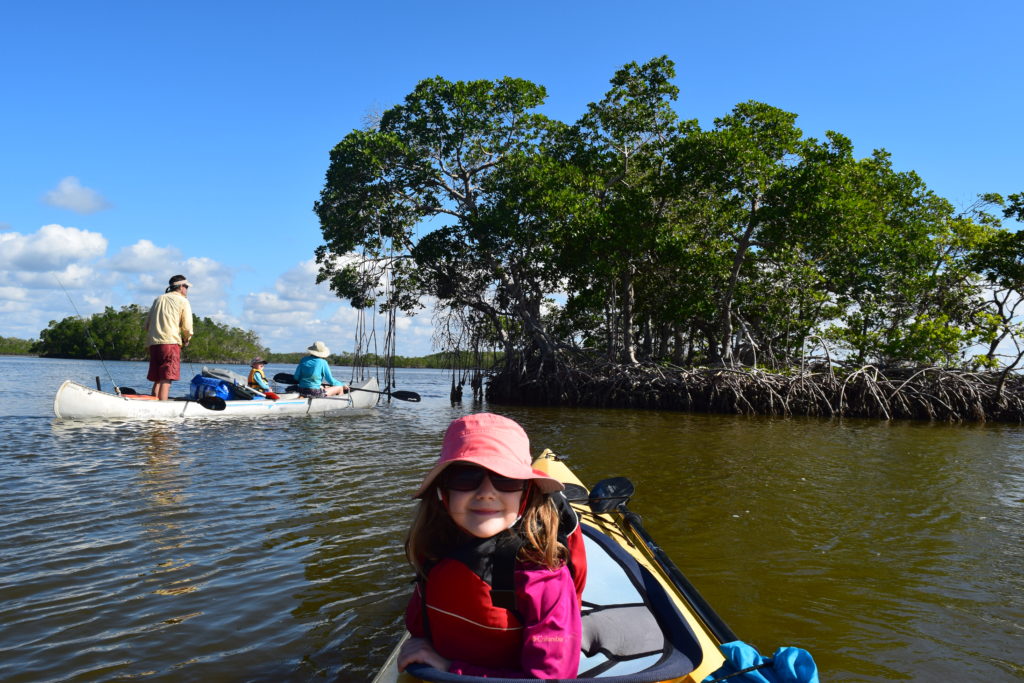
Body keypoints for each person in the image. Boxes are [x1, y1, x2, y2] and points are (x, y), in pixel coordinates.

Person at [397, 413, 583, 678]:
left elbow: (551, 677)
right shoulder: (435, 551)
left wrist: (452, 670)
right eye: (466, 476)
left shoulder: (543, 576)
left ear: (525, 493)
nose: (486, 492)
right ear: (443, 492)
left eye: (506, 479)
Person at [144, 274, 194, 400]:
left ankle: (153, 402)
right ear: (181, 287)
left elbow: (146, 325)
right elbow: (187, 327)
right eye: (186, 287)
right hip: (170, 343)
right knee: (166, 378)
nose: (187, 290)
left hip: (154, 344)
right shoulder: (183, 301)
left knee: (157, 378)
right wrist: (186, 339)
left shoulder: (158, 299)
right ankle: (162, 407)